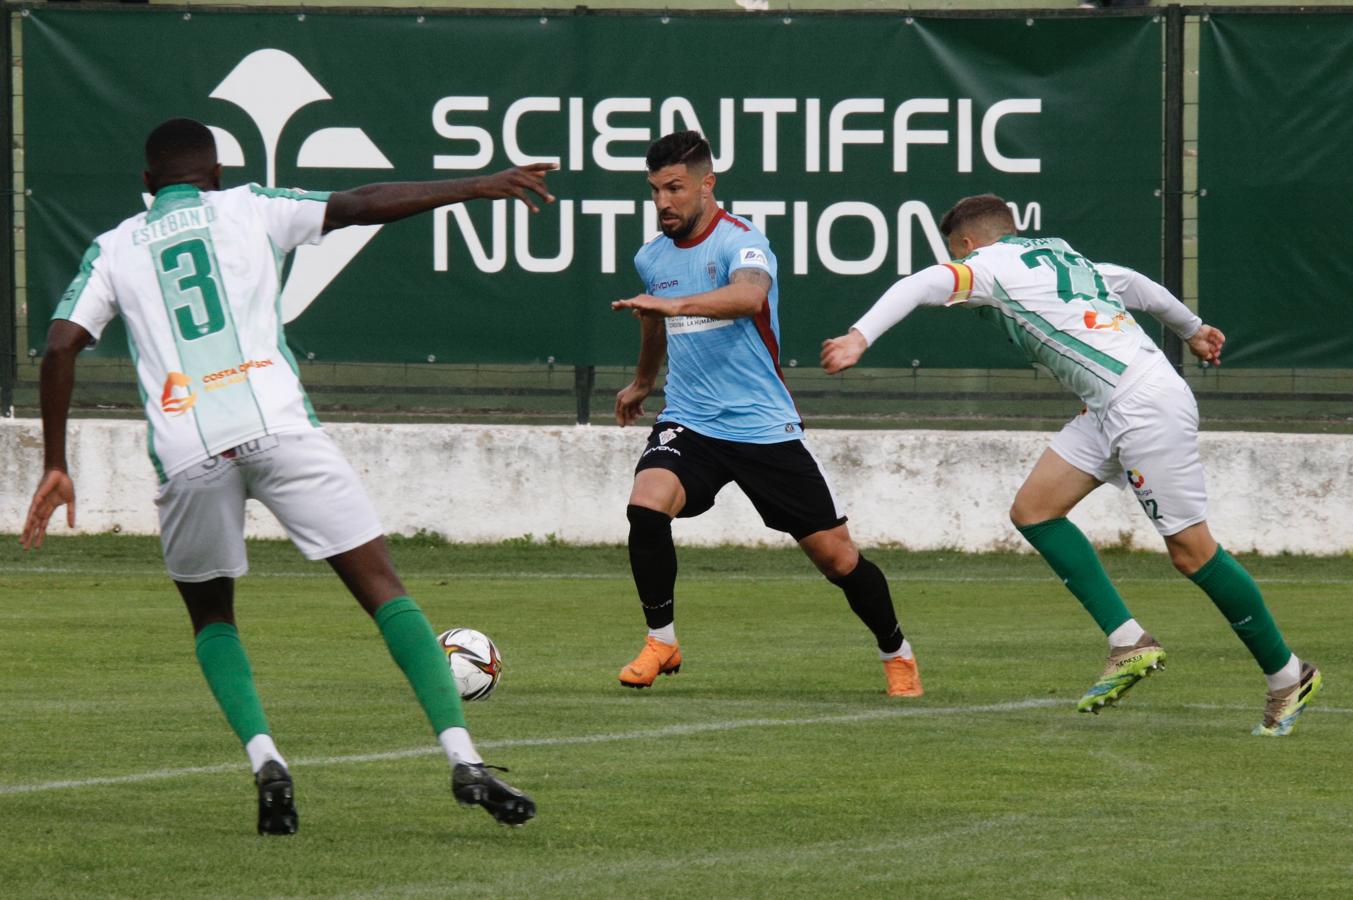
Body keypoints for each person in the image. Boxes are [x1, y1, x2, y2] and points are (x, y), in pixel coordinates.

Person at [20, 117, 556, 834]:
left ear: (148, 185)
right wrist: (478, 185)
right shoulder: (249, 205)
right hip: (277, 425)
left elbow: (59, 346)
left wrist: (56, 462)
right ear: (214, 173)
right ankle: (464, 758)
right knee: (382, 591)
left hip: (189, 449)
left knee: (213, 617)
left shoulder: (114, 247)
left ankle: (266, 758)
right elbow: (362, 202)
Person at [821, 193, 1320, 736]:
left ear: (966, 245)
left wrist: (859, 335)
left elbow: (918, 285)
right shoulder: (1062, 253)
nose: (957, 263)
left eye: (955, 253)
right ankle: (1128, 642)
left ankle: (1287, 674)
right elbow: (1132, 283)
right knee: (1034, 510)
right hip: (1111, 404)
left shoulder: (986, 267)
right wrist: (1192, 328)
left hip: (1141, 403)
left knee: (1193, 553)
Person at [611, 131, 922, 698]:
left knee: (837, 559)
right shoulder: (651, 256)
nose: (663, 203)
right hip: (691, 419)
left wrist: (674, 304)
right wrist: (641, 383)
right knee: (646, 506)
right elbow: (654, 321)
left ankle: (895, 650)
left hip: (761, 427)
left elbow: (749, 297)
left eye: (675, 188)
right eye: (654, 190)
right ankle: (662, 640)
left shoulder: (743, 242)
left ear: (708, 184)